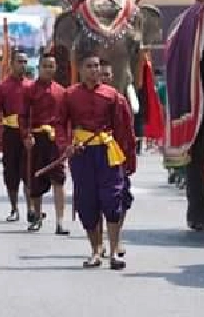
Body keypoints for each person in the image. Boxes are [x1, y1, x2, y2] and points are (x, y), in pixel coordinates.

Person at [62, 52, 130, 270]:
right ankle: (95, 250)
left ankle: (114, 252)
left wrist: (127, 158)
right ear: (80, 70)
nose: (94, 70)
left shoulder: (112, 95)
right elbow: (60, 124)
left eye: (96, 66)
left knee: (112, 199)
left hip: (107, 152)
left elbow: (122, 128)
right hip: (82, 154)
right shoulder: (70, 95)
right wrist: (66, 145)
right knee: (87, 201)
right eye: (89, 66)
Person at [23, 53, 69, 235]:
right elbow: (23, 116)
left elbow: (66, 119)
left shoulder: (62, 92)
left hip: (56, 140)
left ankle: (60, 222)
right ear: (39, 67)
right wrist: (26, 135)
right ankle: (37, 216)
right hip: (36, 139)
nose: (48, 69)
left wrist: (67, 141)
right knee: (35, 179)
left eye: (51, 66)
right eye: (45, 66)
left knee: (59, 179)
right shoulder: (30, 90)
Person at [99, 60, 138, 257]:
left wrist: (130, 159)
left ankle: (116, 237)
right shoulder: (80, 98)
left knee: (121, 198)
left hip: (117, 157)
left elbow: (129, 132)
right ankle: (98, 243)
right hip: (94, 156)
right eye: (101, 74)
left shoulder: (120, 100)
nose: (104, 78)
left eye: (107, 75)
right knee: (96, 201)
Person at [0, 51, 33, 220]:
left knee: (29, 170)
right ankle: (14, 208)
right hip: (10, 133)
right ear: (12, 64)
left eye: (25, 62)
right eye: (19, 62)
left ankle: (31, 209)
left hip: (28, 134)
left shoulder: (31, 86)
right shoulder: (2, 87)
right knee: (11, 172)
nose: (23, 65)